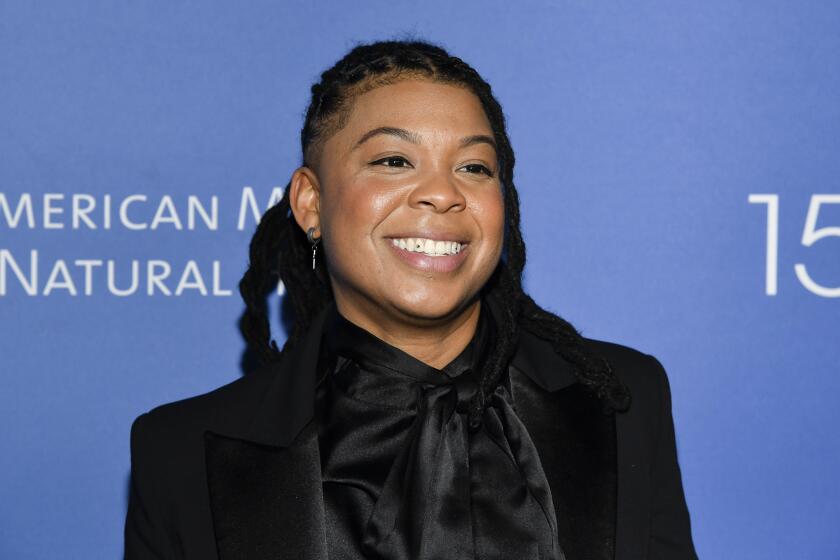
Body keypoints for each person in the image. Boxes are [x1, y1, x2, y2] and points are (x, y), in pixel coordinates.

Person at [124, 39, 698, 560]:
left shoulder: (623, 400)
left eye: (474, 167)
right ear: (309, 203)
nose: (443, 193)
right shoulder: (179, 452)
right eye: (393, 161)